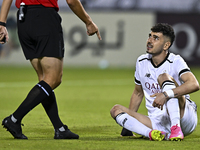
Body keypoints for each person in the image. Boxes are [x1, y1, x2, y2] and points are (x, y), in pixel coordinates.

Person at [0, 0, 101, 139]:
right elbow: (71, 1)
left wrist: (2, 23)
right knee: (53, 79)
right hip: (44, 18)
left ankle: (59, 128)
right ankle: (14, 119)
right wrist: (88, 21)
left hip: (23, 19)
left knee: (44, 80)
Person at [110, 23, 199, 141]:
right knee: (116, 110)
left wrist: (165, 95)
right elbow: (138, 93)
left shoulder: (175, 61)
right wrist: (129, 124)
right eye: (150, 36)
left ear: (166, 45)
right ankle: (152, 133)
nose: (149, 40)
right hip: (157, 121)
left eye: (156, 38)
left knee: (163, 77)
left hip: (184, 116)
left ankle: (176, 128)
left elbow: (194, 84)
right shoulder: (141, 62)